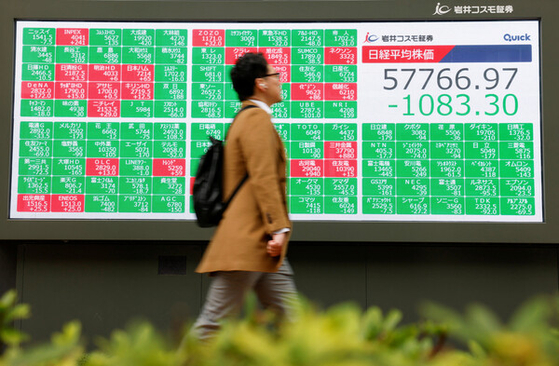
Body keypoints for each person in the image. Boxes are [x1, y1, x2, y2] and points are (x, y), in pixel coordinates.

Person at [191, 53, 296, 340]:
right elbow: (264, 177)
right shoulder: (255, 119)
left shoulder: (248, 118)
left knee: (295, 326)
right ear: (261, 83)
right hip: (249, 242)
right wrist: (278, 228)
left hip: (259, 243)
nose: (280, 80)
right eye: (276, 76)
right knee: (212, 326)